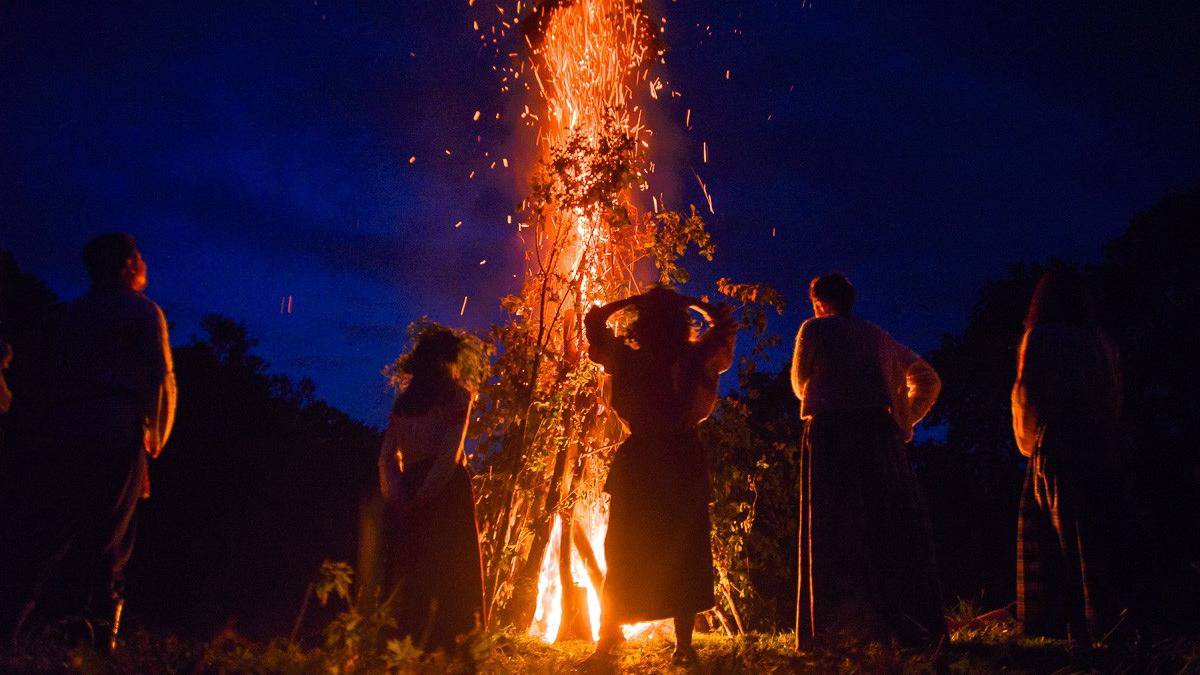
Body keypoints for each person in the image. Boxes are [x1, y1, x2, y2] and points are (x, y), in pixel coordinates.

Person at [15, 234, 175, 648]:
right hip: (117, 429)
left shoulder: (74, 315)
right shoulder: (142, 313)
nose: (145, 264)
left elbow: (57, 374)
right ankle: (100, 638)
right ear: (125, 265)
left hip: (69, 428)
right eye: (139, 257)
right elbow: (160, 379)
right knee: (112, 533)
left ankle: (28, 622)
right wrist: (155, 437)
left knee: (64, 525)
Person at [790, 272, 946, 649]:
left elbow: (799, 384)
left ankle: (835, 630)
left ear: (818, 302)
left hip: (832, 435)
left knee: (833, 529)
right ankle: (900, 626)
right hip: (878, 437)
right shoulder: (878, 336)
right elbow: (928, 378)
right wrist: (903, 417)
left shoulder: (813, 330)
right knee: (885, 529)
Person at [583, 286, 736, 667]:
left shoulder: (626, 358)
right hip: (679, 457)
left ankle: (609, 641)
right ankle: (680, 644)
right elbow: (724, 324)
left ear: (642, 324)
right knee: (681, 546)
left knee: (625, 546)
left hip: (647, 457)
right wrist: (688, 301)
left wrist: (636, 303)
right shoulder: (698, 356)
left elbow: (594, 321)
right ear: (681, 324)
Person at [1012, 268, 1122, 644]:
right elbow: (1113, 396)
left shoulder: (1041, 338)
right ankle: (1108, 622)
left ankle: (1069, 628)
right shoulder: (1100, 342)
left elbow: (1027, 393)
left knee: (1061, 540)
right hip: (1100, 443)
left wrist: (1028, 443)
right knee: (1097, 536)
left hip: (1058, 442)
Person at [378, 324, 486, 650]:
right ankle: (453, 641)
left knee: (416, 564)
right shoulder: (456, 397)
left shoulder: (405, 404)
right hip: (446, 493)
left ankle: (414, 641)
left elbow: (386, 458)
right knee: (449, 565)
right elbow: (448, 456)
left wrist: (398, 494)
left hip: (412, 489)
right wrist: (421, 495)